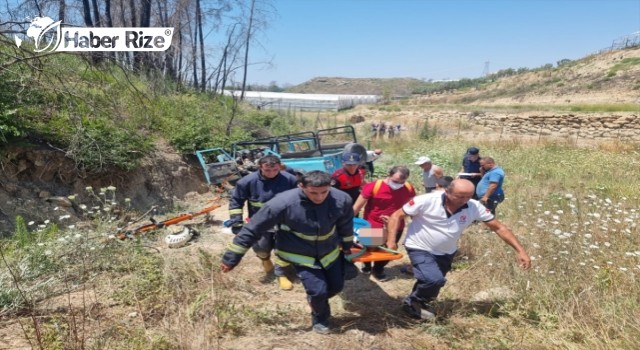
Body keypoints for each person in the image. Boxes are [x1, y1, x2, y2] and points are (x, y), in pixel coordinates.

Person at [221, 171, 355, 334]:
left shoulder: (342, 199)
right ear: (301, 186)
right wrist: (231, 258)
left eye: (324, 192)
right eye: (313, 193)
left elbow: (345, 225)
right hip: (301, 255)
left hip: (330, 252)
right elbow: (252, 229)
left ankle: (316, 301)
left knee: (336, 286)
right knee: (318, 291)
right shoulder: (282, 203)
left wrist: (347, 246)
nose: (319, 197)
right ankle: (320, 317)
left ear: (330, 187)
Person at [385, 179, 530, 320]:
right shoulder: (426, 200)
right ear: (447, 192)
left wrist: (520, 251)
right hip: (419, 246)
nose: (464, 200)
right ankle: (412, 302)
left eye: (468, 196)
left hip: (447, 251)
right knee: (434, 280)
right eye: (460, 196)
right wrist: (391, 241)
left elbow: (499, 227)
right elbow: (397, 215)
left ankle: (420, 302)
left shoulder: (474, 206)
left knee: (431, 281)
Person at [227, 155, 298, 290]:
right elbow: (236, 202)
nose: (271, 173)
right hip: (260, 222)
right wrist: (237, 223)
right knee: (262, 248)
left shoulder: (290, 180)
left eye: (275, 170)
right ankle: (265, 259)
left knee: (284, 249)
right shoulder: (247, 182)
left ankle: (281, 274)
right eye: (267, 170)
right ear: (260, 167)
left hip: (284, 222)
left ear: (279, 167)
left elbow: (299, 200)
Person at [352, 166, 416, 281]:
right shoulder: (374, 186)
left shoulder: (408, 188)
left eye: (402, 182)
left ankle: (378, 269)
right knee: (370, 248)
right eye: (396, 181)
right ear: (389, 175)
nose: (398, 184)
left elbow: (411, 207)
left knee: (388, 249)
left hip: (396, 226)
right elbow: (356, 207)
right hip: (373, 225)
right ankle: (366, 264)